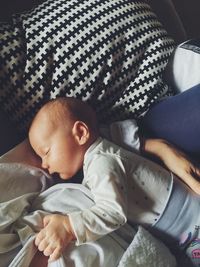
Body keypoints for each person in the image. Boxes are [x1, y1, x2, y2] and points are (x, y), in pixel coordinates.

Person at [28, 97, 200, 266]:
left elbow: (113, 212)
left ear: (80, 133)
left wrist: (68, 226)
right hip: (181, 236)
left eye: (46, 152)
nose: (44, 165)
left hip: (191, 223)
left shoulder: (101, 162)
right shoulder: (99, 157)